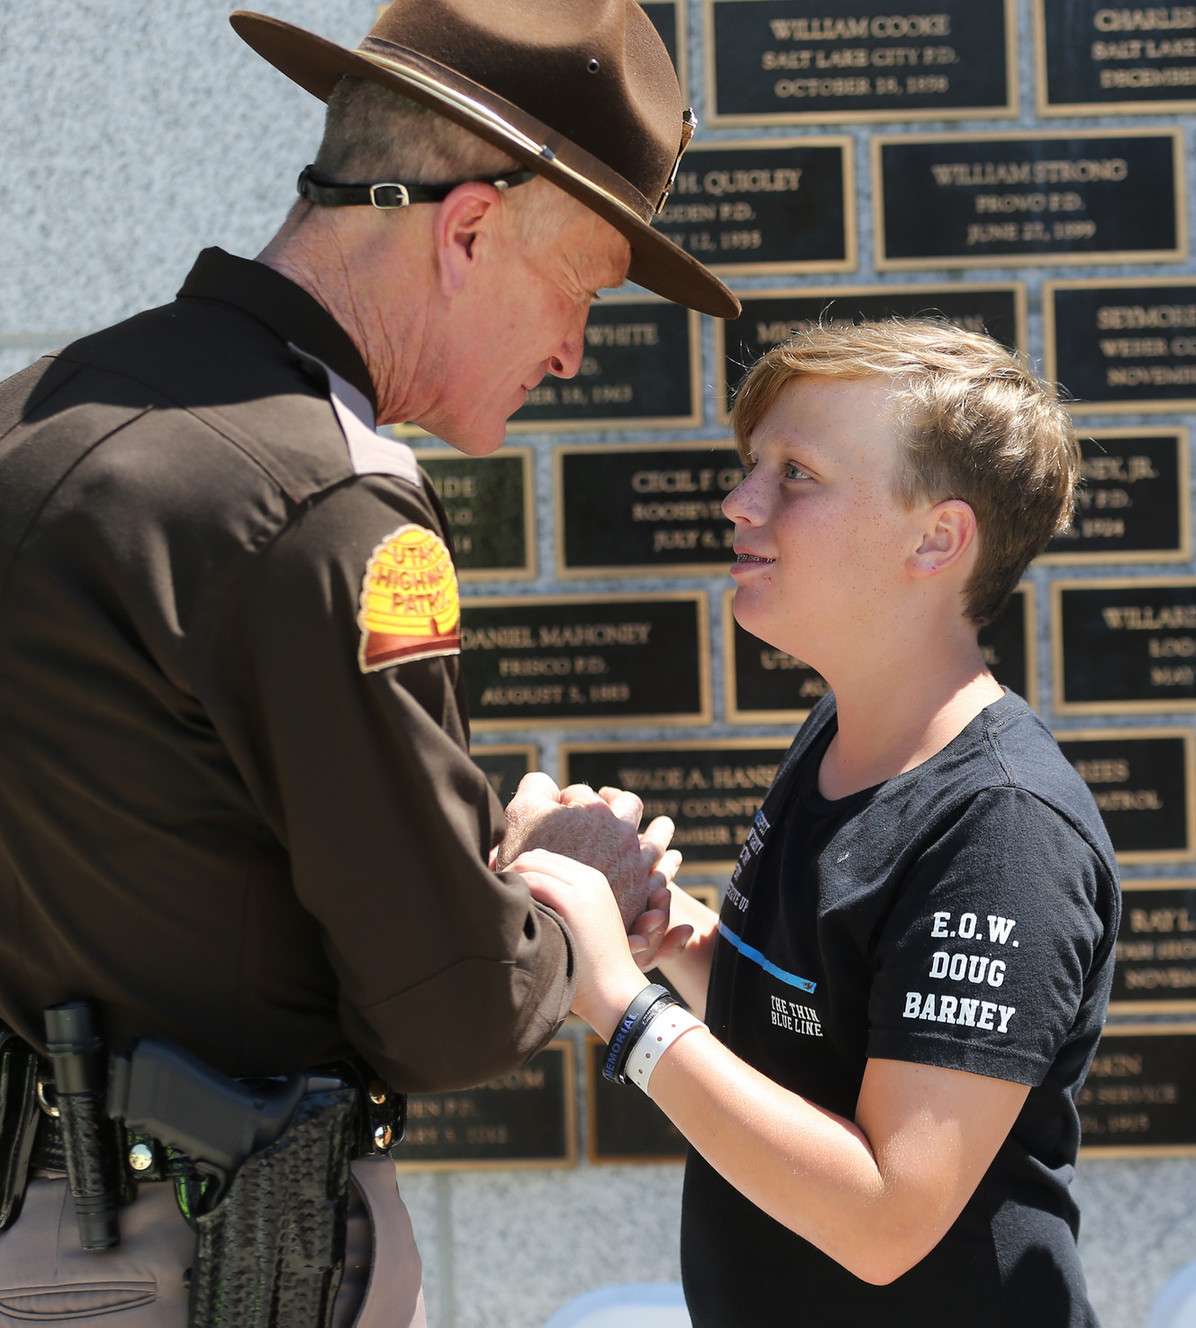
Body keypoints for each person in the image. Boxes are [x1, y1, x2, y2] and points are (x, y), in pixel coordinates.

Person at [0, 1, 738, 1324]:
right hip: (198, 1260)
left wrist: (468, 839)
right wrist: (565, 890)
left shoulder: (45, 408)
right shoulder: (328, 498)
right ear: (466, 232)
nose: (572, 350)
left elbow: (185, 837)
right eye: (580, 289)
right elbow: (447, 1008)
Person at [517, 319, 1121, 1327]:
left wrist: (620, 1006)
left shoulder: (1001, 830)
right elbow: (806, 1028)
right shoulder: (841, 732)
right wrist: (665, 935)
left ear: (935, 537)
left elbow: (886, 1213)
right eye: (751, 465)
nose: (738, 500)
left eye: (795, 474)